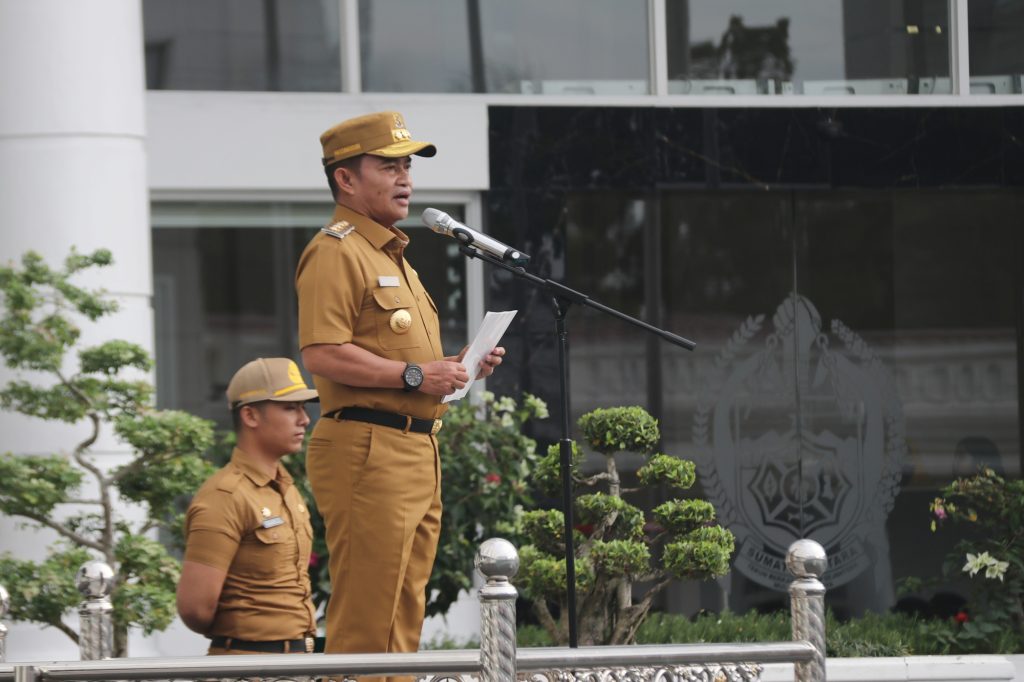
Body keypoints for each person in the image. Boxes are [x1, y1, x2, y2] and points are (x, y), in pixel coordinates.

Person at [294, 110, 504, 664]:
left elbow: (400, 359)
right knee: (369, 616)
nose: (405, 177)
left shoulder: (394, 257)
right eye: (389, 165)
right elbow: (321, 352)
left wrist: (458, 366)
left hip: (414, 446)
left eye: (407, 164)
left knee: (403, 614)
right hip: (368, 448)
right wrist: (416, 375)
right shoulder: (335, 251)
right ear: (346, 178)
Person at [177, 357, 320, 655]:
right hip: (247, 664)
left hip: (297, 664)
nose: (304, 420)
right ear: (251, 416)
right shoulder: (225, 495)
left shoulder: (286, 487)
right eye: (290, 408)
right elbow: (194, 608)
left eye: (303, 408)